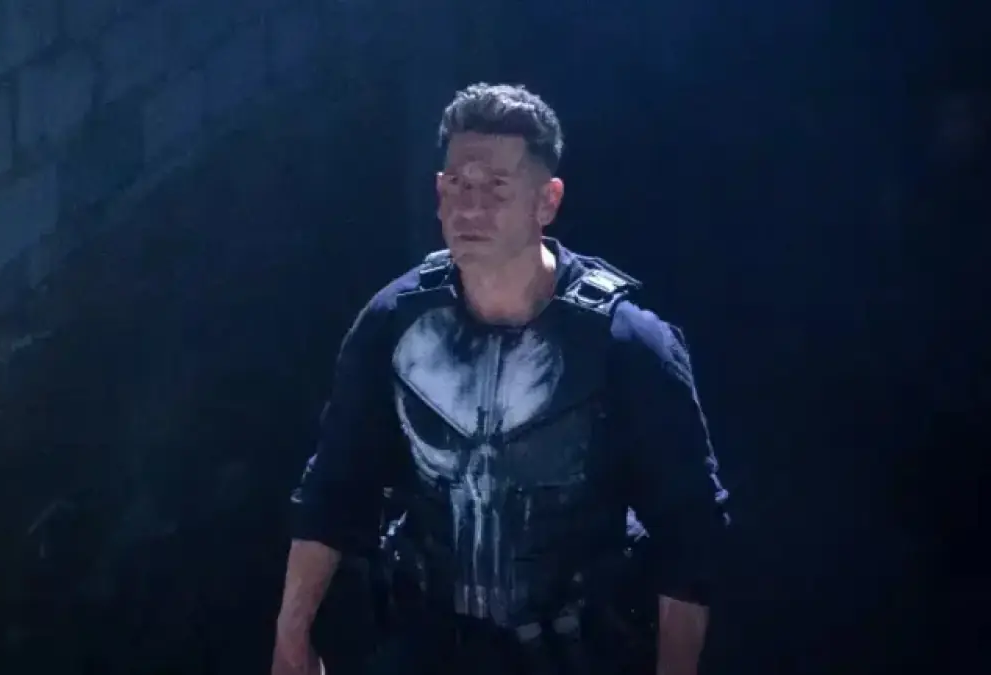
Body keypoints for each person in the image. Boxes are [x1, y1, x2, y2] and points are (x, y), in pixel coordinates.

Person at [271, 83, 730, 675]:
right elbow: (334, 485)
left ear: (546, 201)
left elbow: (689, 529)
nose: (470, 208)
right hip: (432, 644)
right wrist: (291, 636)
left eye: (495, 187)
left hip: (581, 652)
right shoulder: (394, 324)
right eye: (457, 186)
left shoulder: (626, 344)